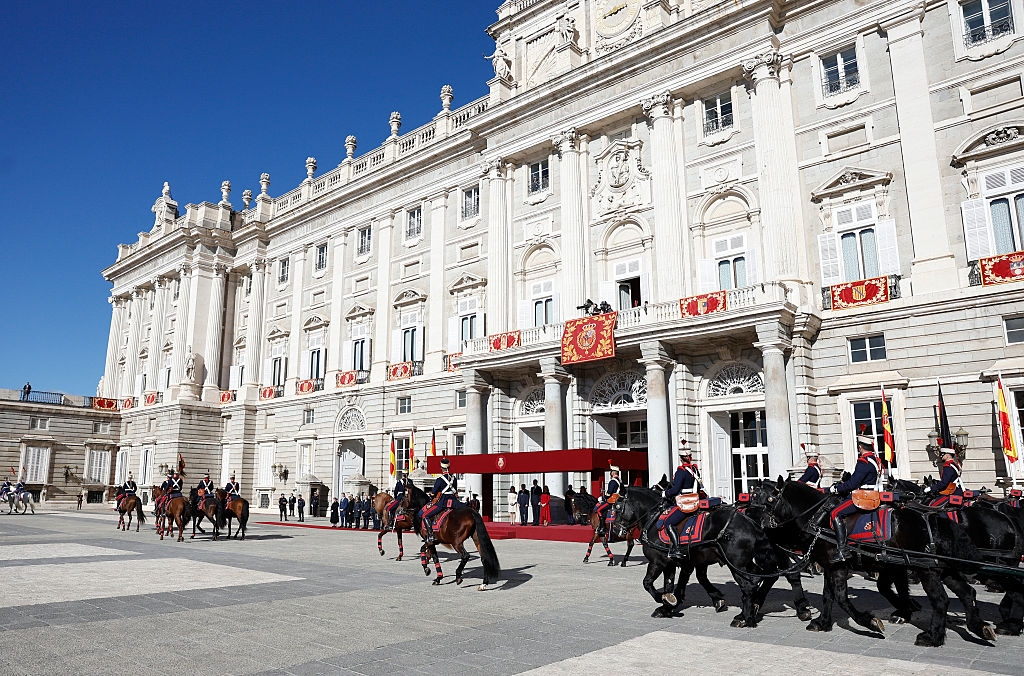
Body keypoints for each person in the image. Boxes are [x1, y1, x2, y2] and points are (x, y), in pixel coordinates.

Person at [828, 434, 882, 562]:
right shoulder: (876, 460)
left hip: (864, 497)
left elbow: (853, 484)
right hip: (873, 495)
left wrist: (836, 488)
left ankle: (842, 550)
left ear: (860, 447)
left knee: (835, 512)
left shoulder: (863, 462)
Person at [662, 446, 702, 558]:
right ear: (690, 457)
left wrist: (665, 494)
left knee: (668, 522)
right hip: (696, 500)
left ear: (681, 458)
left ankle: (676, 549)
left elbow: (675, 490)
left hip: (686, 502)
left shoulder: (681, 471)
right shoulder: (694, 469)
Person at [421, 457, 460, 545]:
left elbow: (434, 492)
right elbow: (455, 491)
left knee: (425, 515)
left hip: (443, 502)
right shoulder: (454, 479)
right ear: (449, 467)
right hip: (454, 502)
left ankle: (431, 535)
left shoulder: (440, 479)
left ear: (441, 468)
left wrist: (431, 494)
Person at [924, 447, 964, 520]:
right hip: (956, 489)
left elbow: (944, 483)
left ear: (948, 455)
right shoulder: (954, 464)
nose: (941, 456)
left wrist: (931, 488)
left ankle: (946, 523)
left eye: (942, 454)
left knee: (934, 505)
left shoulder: (948, 467)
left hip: (952, 492)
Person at [593, 466, 622, 535]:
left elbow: (609, 494)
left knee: (599, 510)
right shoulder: (619, 480)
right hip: (617, 499)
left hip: (612, 500)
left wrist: (602, 498)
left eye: (611, 471)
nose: (610, 473)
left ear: (613, 472)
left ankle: (603, 528)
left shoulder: (613, 481)